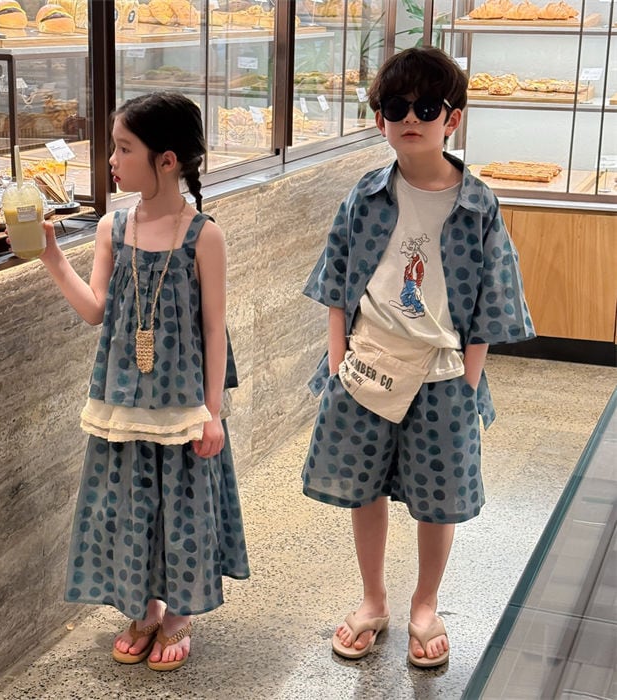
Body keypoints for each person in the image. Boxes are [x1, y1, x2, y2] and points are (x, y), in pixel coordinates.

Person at [301, 47, 535, 667]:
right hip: (367, 364)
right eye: (396, 106)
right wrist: (337, 360)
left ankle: (425, 604)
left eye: (427, 107)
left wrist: (470, 379)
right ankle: (372, 598)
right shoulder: (365, 194)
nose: (411, 117)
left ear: (451, 118)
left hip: (444, 372)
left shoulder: (478, 204)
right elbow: (336, 280)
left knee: (439, 493)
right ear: (379, 118)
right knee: (364, 486)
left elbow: (492, 298)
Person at [36, 92, 249, 672]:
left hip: (181, 406)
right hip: (123, 403)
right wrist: (53, 257)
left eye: (124, 148)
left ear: (167, 160)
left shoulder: (203, 235)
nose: (112, 160)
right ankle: (146, 608)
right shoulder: (113, 227)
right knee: (132, 507)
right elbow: (96, 310)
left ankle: (178, 614)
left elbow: (215, 330)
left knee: (182, 510)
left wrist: (213, 412)